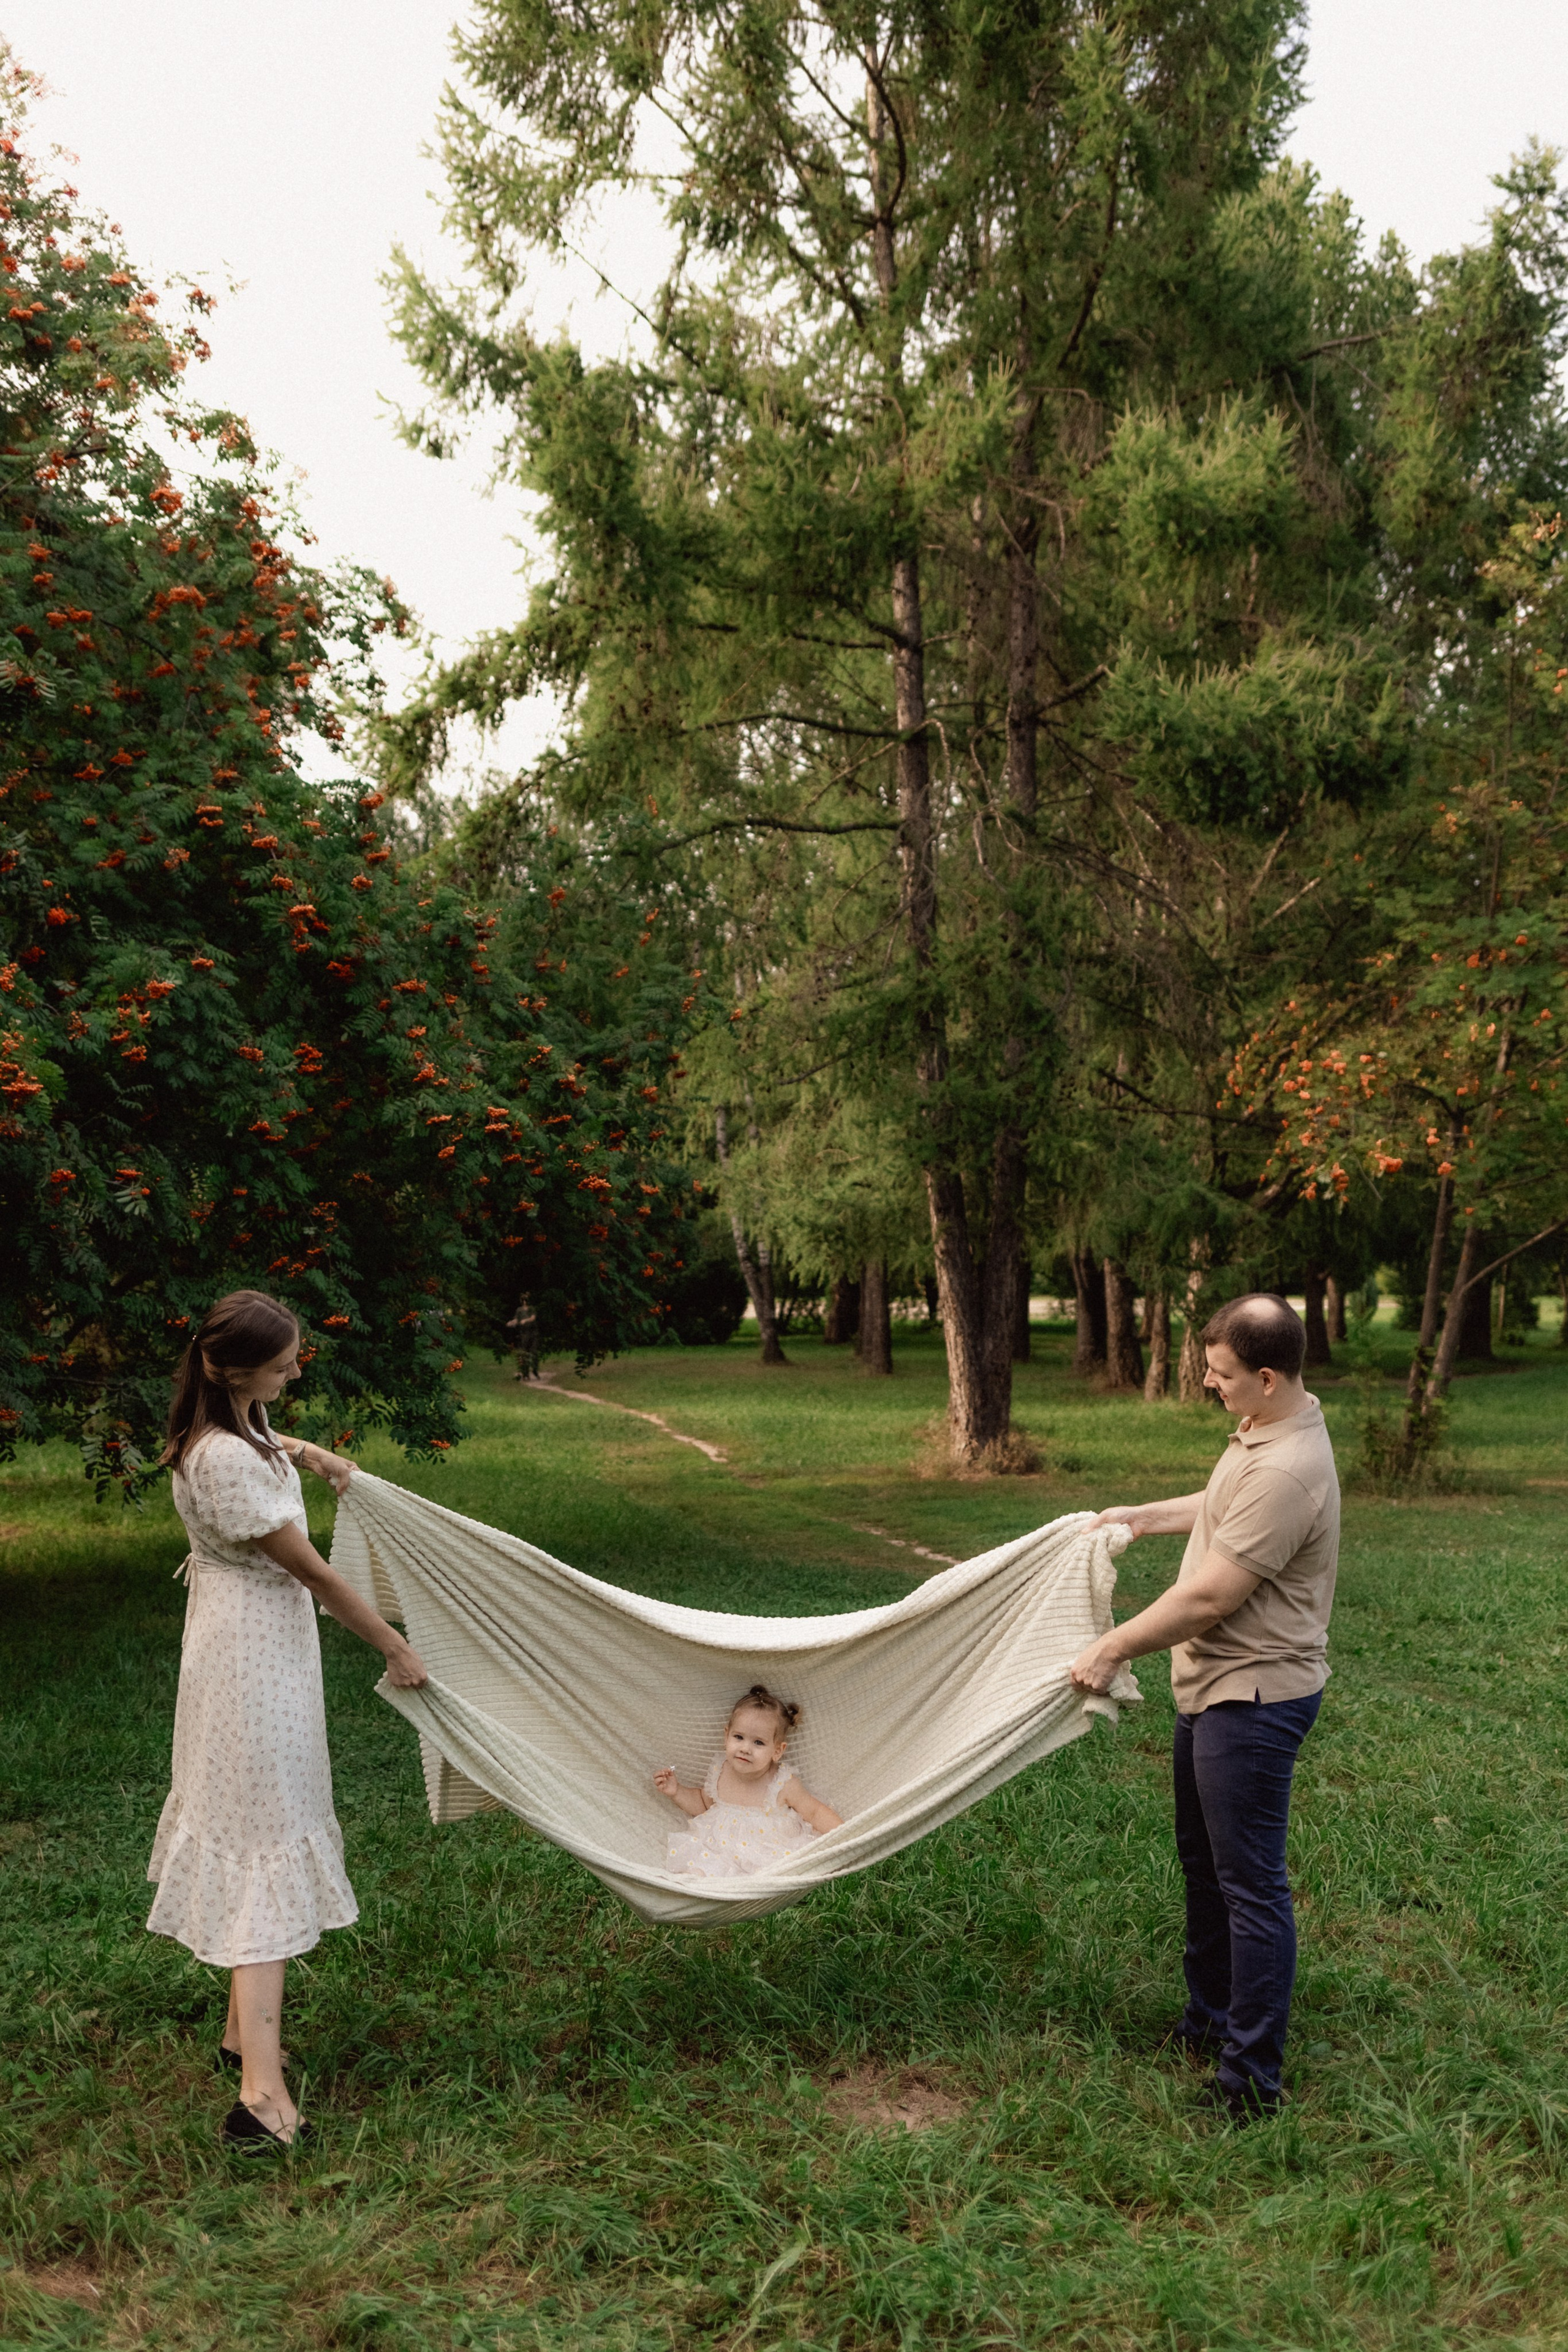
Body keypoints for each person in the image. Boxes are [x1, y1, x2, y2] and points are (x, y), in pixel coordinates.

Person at [147, 1289, 428, 2152]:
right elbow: (315, 1572)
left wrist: (310, 1454)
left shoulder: (238, 1427)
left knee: (257, 1825)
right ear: (230, 1370)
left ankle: (243, 2034)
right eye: (281, 1364)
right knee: (263, 1840)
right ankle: (261, 2099)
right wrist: (393, 1646)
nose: (297, 1369)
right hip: (249, 1667)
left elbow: (265, 1444)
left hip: (256, 1656)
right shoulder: (223, 1459)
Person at [1068, 1293, 1339, 2122]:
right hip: (1216, 1690)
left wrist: (1112, 1646)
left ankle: (1250, 2081)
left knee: (1249, 1886)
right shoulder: (1270, 1428)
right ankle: (1208, 2021)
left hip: (1253, 1698)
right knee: (1206, 1871)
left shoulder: (1290, 1467)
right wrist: (1144, 1517)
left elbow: (1209, 1597)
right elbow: (1225, 1501)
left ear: (1266, 1376)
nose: (1209, 1387)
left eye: (1220, 1376)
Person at [655, 1683, 843, 1877]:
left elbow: (814, 1812)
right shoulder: (721, 1771)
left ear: (777, 1751)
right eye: (739, 1737)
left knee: (768, 1874)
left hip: (767, 1855)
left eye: (758, 1742)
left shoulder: (782, 1783)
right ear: (726, 1736)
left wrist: (846, 1838)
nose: (746, 1748)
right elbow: (704, 1804)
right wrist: (677, 1791)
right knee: (699, 1871)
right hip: (720, 1850)